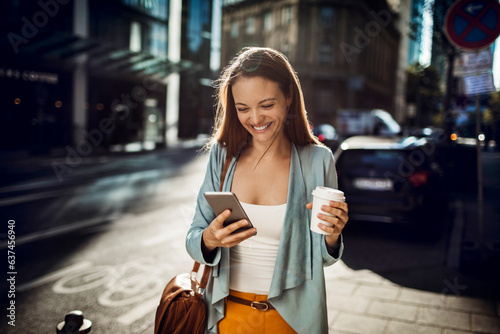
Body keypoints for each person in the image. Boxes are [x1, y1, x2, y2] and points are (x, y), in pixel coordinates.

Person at [186, 47, 349, 334]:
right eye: (242, 108)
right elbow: (193, 238)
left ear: (288, 97)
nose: (255, 119)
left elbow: (323, 257)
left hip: (293, 318)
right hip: (227, 316)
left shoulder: (317, 161)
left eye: (266, 105)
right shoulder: (222, 157)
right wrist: (210, 239)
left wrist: (333, 235)